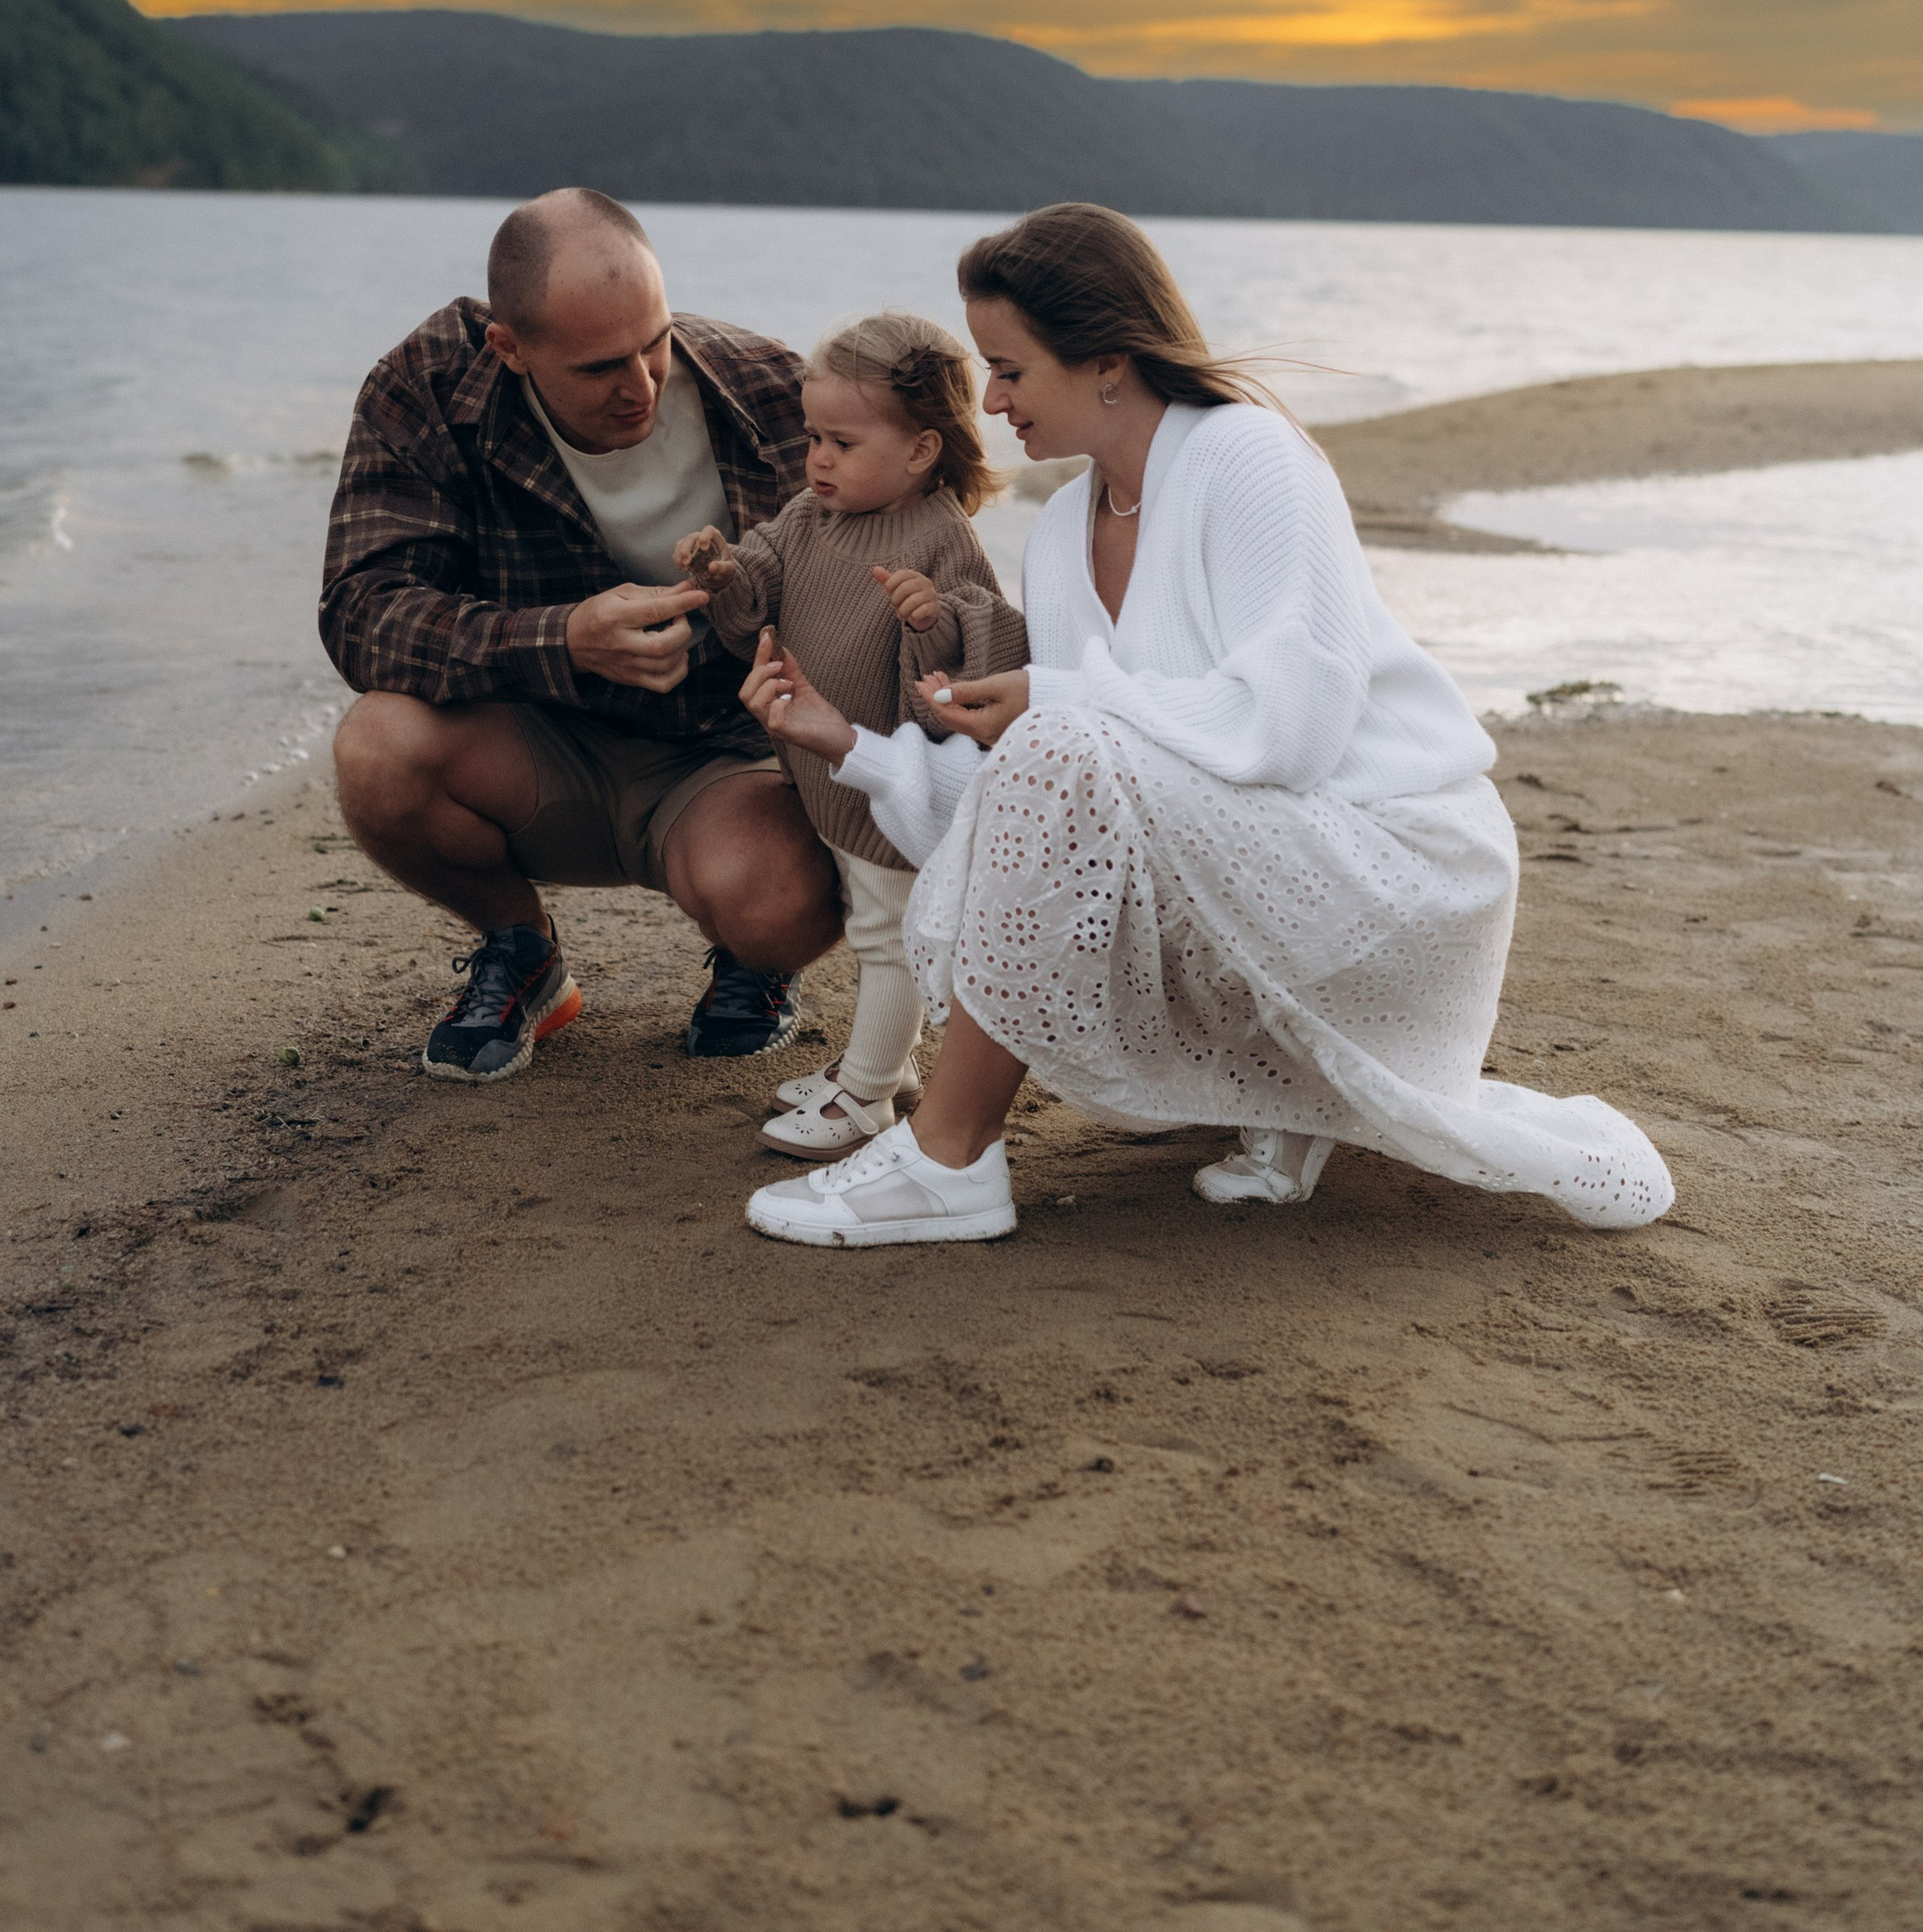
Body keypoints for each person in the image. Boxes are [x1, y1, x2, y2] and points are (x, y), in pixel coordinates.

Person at [738, 202, 1675, 1250]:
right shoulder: (1057, 531)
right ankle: (1282, 1094)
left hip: (1395, 860)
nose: (990, 402)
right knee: (1054, 753)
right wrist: (847, 744)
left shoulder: (1250, 458)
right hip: (1256, 854)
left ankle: (948, 1155)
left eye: (1009, 369)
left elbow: (1292, 729)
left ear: (1104, 362)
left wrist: (1057, 700)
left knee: (1057, 739)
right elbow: (1047, 813)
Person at [321, 187, 840, 1079]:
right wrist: (556, 640)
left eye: (655, 344)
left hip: (723, 762)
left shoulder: (772, 390)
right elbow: (361, 610)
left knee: (780, 911)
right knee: (376, 749)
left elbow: (884, 586)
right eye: (600, 367)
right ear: (509, 347)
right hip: (534, 745)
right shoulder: (427, 389)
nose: (640, 388)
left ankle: (754, 963)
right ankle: (521, 949)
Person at [675, 311, 1028, 1160]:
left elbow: (989, 651)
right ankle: (889, 1069)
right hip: (827, 770)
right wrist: (721, 571)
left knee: (885, 934)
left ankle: (868, 1095)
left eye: (843, 441)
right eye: (813, 437)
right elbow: (758, 575)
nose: (819, 459)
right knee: (873, 918)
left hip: (894, 780)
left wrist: (932, 617)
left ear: (921, 449)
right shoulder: (808, 515)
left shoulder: (940, 534)